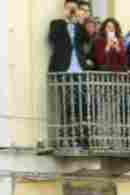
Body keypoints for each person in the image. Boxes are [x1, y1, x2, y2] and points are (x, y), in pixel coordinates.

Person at [47, 1, 90, 148]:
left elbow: (87, 39)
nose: (72, 11)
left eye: (74, 9)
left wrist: (78, 20)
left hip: (79, 71)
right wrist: (66, 20)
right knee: (65, 104)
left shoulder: (79, 26)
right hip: (64, 71)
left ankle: (81, 137)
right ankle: (64, 137)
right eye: (69, 8)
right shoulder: (56, 24)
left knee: (81, 105)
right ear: (65, 9)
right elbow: (52, 38)